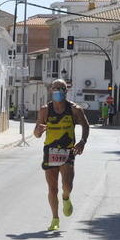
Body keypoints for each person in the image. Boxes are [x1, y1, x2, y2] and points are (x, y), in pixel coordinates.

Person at [34, 79, 89, 231]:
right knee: (52, 188)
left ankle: (66, 197)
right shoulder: (45, 110)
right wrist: (39, 131)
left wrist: (83, 141)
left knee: (67, 185)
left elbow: (85, 125)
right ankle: (55, 218)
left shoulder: (74, 109)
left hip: (68, 150)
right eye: (55, 88)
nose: (58, 90)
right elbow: (36, 133)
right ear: (51, 90)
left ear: (66, 90)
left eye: (61, 88)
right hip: (50, 150)